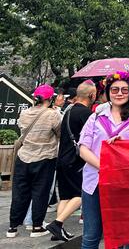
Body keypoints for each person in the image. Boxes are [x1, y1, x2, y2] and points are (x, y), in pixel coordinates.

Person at [78, 71, 129, 249]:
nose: (119, 93)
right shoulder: (95, 118)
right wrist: (104, 167)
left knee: (126, 236)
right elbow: (83, 148)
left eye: (124, 90)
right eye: (114, 89)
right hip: (94, 181)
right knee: (91, 235)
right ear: (108, 92)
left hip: (126, 184)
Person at [6, 84, 62, 239]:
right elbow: (60, 134)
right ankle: (36, 227)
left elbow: (21, 128)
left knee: (19, 192)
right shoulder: (53, 115)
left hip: (24, 157)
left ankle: (12, 227)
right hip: (45, 158)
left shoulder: (24, 113)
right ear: (50, 99)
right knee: (40, 192)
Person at [45, 81, 96, 242]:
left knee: (65, 196)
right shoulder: (86, 114)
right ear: (91, 95)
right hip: (76, 161)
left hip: (62, 159)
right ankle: (57, 223)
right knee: (81, 194)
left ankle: (58, 230)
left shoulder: (68, 110)